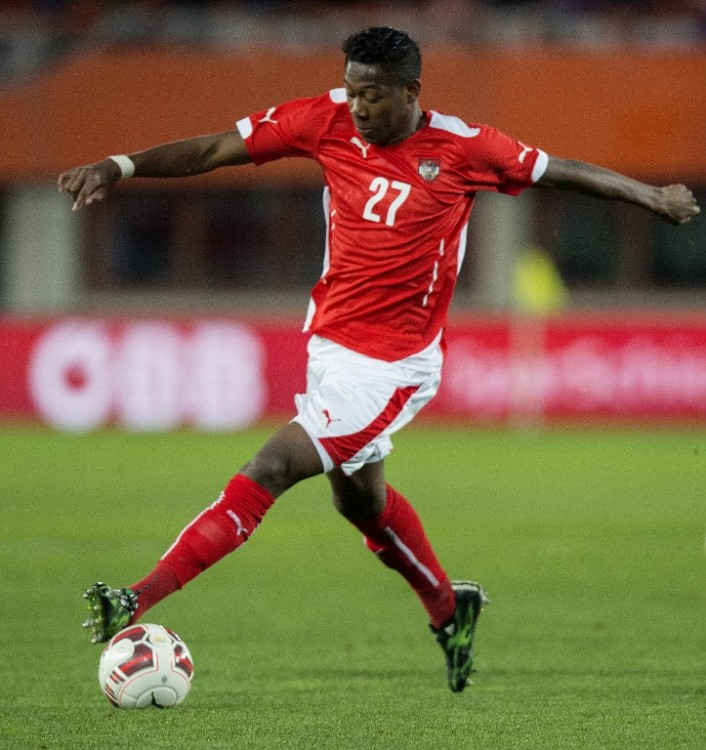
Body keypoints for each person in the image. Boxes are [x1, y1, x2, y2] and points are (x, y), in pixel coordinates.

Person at [58, 26, 700, 694]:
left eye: (372, 94)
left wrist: (653, 198)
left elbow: (557, 171)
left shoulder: (463, 147)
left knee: (272, 466)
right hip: (331, 348)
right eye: (352, 89)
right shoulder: (325, 120)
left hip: (394, 367)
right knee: (362, 507)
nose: (358, 106)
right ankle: (451, 609)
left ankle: (136, 598)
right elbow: (219, 147)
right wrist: (120, 165)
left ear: (410, 92)